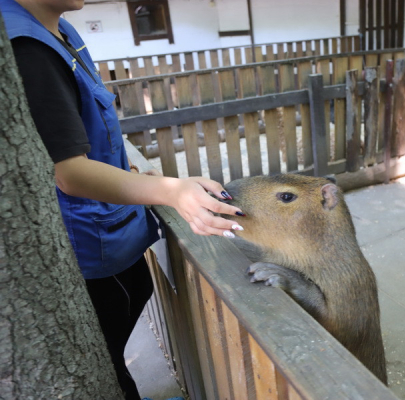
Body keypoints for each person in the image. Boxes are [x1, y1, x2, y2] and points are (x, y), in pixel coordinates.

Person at [0, 0, 245, 398]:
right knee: (105, 356)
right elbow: (69, 172)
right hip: (90, 240)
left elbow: (77, 133)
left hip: (108, 227)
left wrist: (136, 177)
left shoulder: (58, 30)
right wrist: (170, 190)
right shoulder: (27, 46)